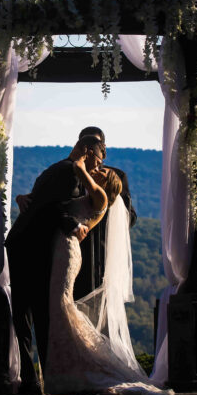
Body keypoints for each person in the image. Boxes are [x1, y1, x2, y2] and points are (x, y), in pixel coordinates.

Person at [40, 138, 172, 395]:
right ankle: (66, 369)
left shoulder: (99, 196)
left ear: (107, 183)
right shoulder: (89, 194)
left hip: (68, 251)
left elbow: (79, 170)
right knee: (60, 306)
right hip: (61, 250)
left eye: (103, 171)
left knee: (61, 304)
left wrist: (80, 158)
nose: (98, 170)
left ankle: (81, 364)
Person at [6, 138, 89, 392]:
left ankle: (33, 378)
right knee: (38, 311)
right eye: (99, 154)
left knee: (26, 312)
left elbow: (39, 201)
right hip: (33, 247)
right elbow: (53, 207)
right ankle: (40, 377)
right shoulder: (69, 172)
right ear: (87, 150)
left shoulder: (55, 169)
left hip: (23, 243)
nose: (100, 161)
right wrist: (73, 225)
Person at [73, 127, 137, 300]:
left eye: (95, 144)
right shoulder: (73, 171)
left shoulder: (115, 175)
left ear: (103, 147)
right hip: (75, 245)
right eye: (86, 144)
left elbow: (130, 215)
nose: (91, 149)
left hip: (102, 249)